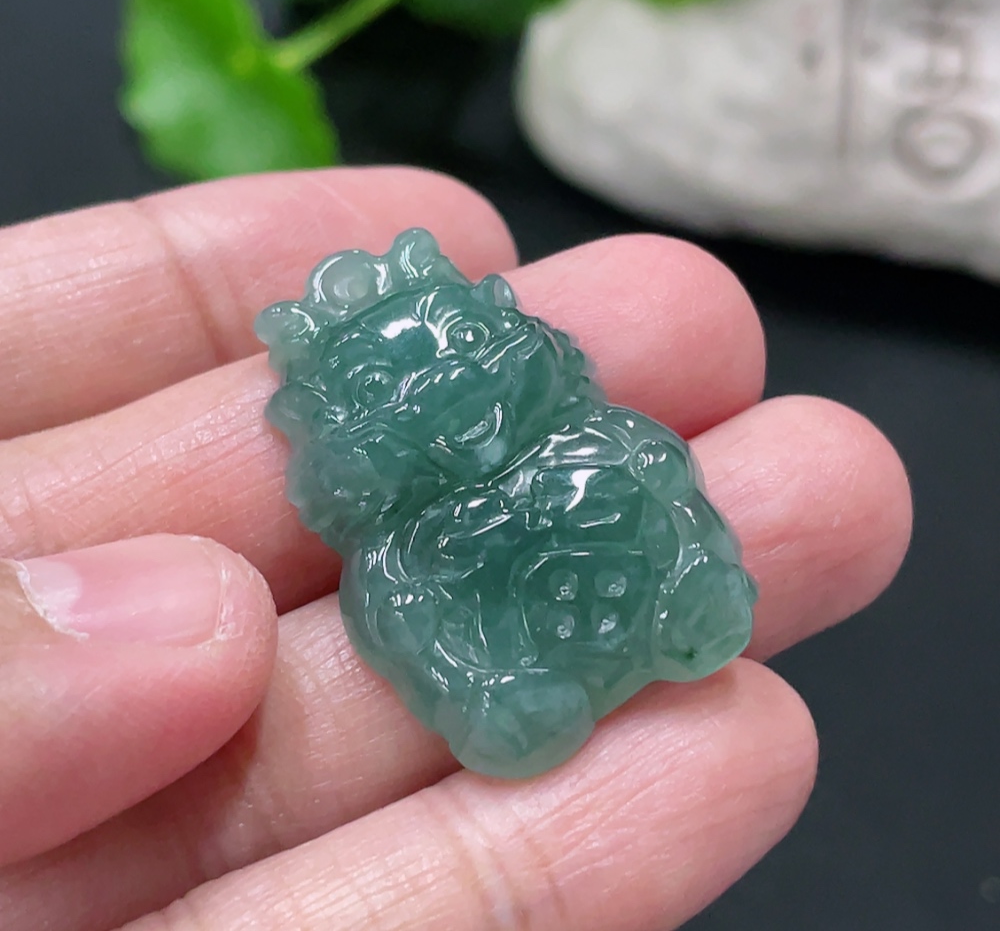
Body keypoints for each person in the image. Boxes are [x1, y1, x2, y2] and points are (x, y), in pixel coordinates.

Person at [0, 168, 912, 931]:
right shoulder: (399, 556)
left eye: (468, 343)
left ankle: (688, 606)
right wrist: (483, 689)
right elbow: (417, 629)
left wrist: (693, 573)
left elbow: (674, 503)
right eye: (380, 387)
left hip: (647, 603)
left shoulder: (604, 441)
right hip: (530, 680)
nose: (442, 386)